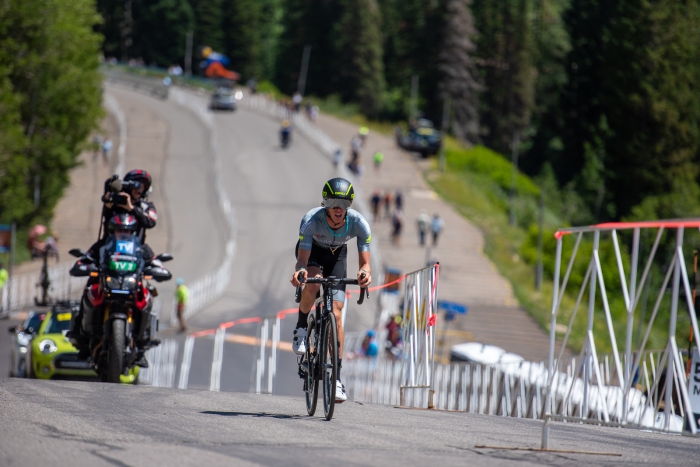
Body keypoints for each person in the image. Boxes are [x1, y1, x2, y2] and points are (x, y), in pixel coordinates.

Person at [290, 177, 372, 402]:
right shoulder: (311, 221)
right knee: (314, 283)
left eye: (345, 204)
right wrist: (301, 271)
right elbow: (302, 260)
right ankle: (301, 327)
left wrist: (364, 274)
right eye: (334, 204)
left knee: (336, 314)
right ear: (325, 203)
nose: (339, 209)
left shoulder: (359, 224)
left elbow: (365, 264)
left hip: (338, 255)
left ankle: (336, 379)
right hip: (313, 252)